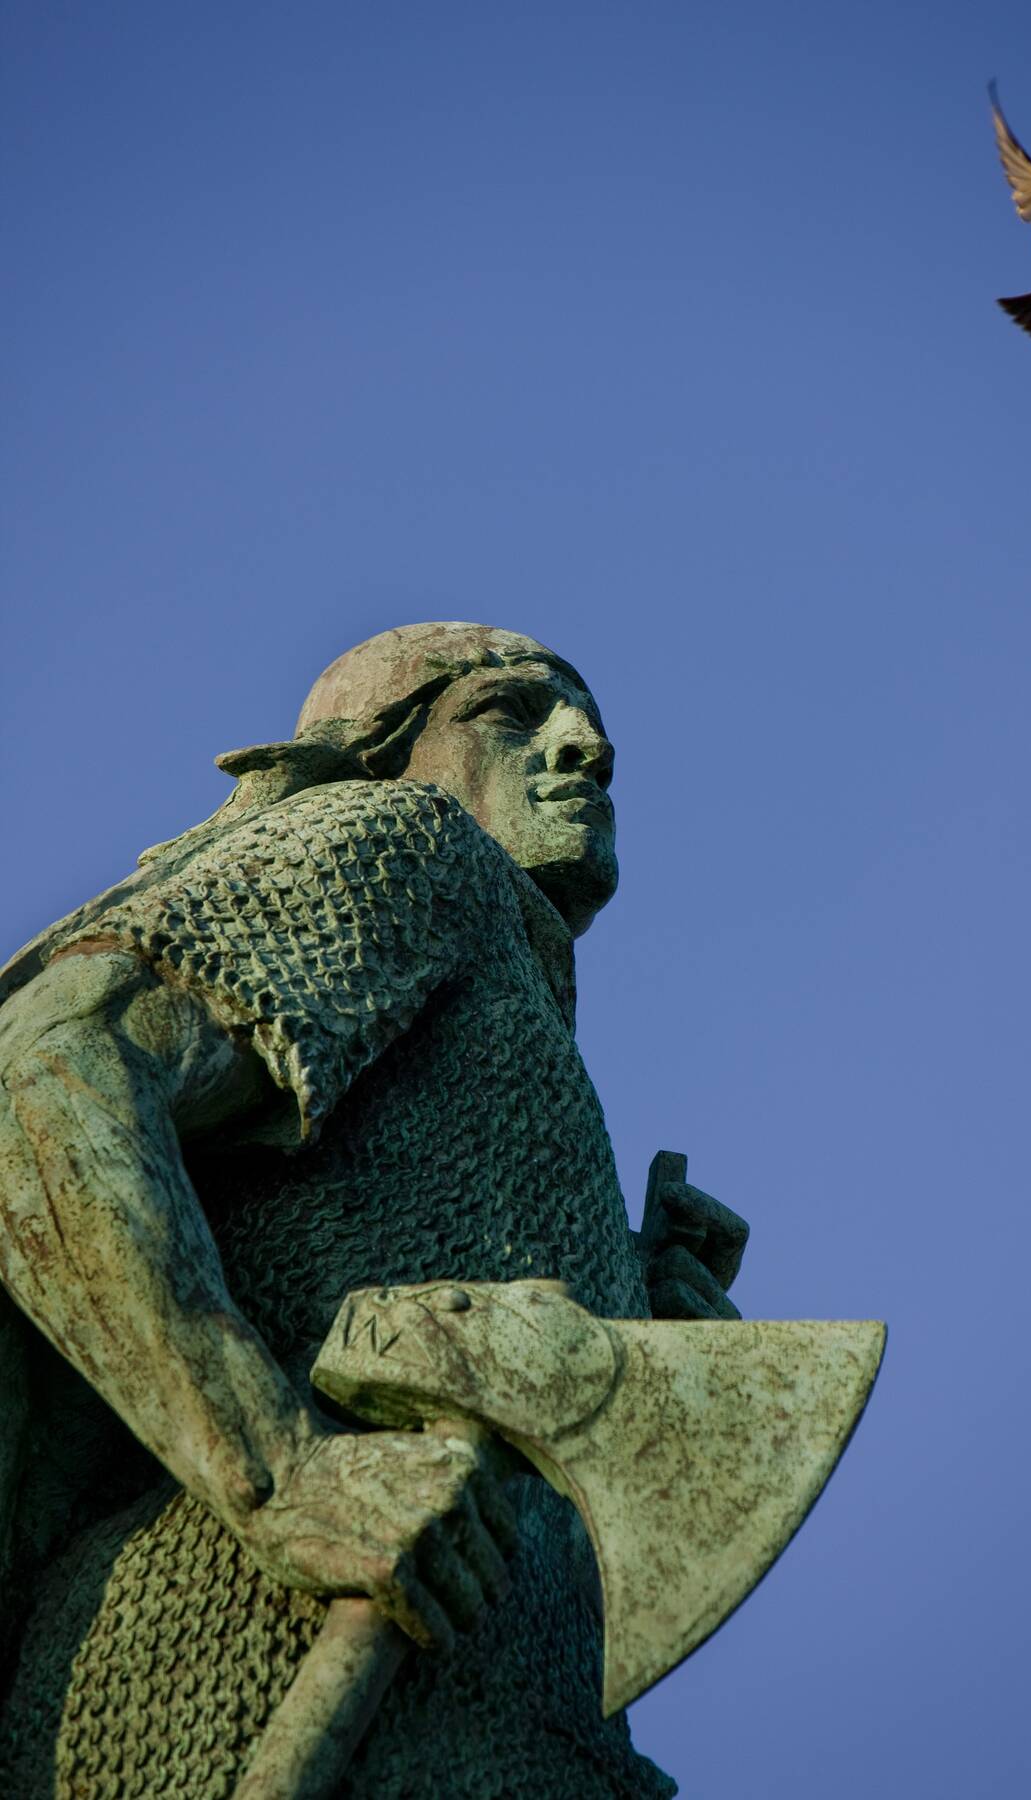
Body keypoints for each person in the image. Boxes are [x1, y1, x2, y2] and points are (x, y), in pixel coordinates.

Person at [0, 622, 748, 1798]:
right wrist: (279, 1467)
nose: (587, 745)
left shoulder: (497, 1009)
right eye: (512, 710)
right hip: (242, 1674)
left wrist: (635, 1331)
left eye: (589, 721)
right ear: (381, 753)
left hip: (511, 1728)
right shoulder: (410, 843)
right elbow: (50, 1069)